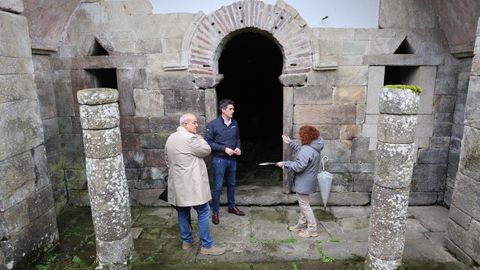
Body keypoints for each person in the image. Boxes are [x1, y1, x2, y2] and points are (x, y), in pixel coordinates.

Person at [165, 113, 225, 255]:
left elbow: (167, 159)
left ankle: (187, 241)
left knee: (183, 212)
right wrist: (198, 137)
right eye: (194, 123)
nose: (197, 125)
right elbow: (207, 150)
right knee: (204, 211)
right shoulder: (192, 138)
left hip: (178, 184)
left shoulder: (171, 138)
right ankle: (207, 246)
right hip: (192, 184)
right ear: (185, 124)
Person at [275, 126, 324, 238]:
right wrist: (290, 142)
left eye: (301, 135)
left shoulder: (307, 149)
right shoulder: (314, 146)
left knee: (305, 205)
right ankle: (302, 224)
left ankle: (312, 229)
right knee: (304, 204)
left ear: (306, 136)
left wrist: (285, 164)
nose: (300, 137)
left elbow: (299, 166)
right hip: (308, 180)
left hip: (304, 181)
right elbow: (302, 150)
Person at [205, 99, 245, 225]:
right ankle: (215, 212)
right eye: (230, 109)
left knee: (232, 184)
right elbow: (208, 142)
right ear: (223, 110)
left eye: (233, 109)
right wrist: (224, 149)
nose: (233, 111)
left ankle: (232, 207)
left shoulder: (235, 123)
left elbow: (238, 138)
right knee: (217, 186)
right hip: (219, 160)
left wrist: (238, 148)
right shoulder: (213, 125)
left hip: (232, 159)